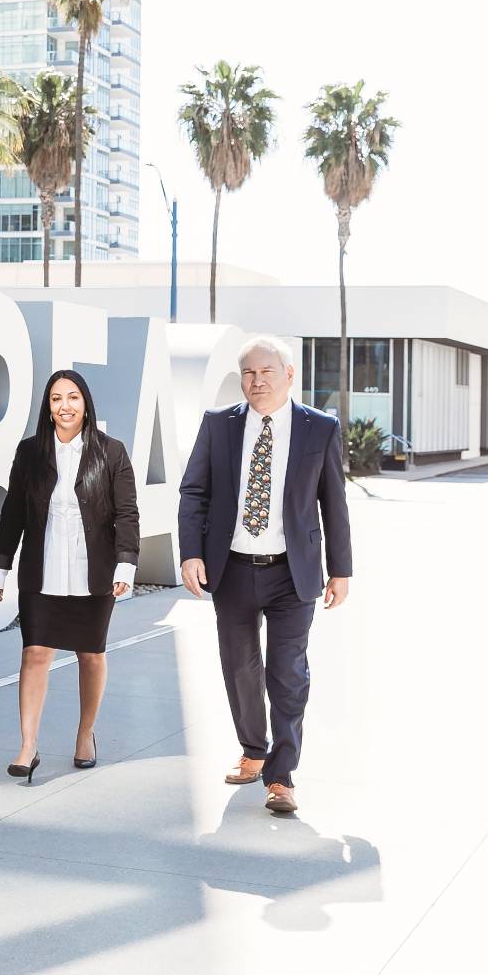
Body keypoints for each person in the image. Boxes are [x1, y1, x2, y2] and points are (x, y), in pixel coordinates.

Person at [178, 334, 353, 815]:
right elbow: (194, 492)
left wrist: (341, 569)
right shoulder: (220, 426)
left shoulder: (319, 428)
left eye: (265, 372)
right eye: (248, 374)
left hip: (291, 573)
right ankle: (254, 750)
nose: (256, 382)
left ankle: (282, 775)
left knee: (288, 674)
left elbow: (333, 504)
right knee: (239, 668)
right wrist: (191, 552)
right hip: (231, 568)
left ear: (288, 374)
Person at [0, 369, 140, 783]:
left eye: (72, 397)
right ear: (48, 407)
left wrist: (126, 564)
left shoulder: (111, 451)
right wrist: (0, 565)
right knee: (35, 652)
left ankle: (85, 734)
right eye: (56, 399)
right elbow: (12, 513)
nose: (65, 406)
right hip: (42, 568)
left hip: (96, 572)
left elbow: (127, 512)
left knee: (90, 654)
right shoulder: (30, 453)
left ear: (86, 403)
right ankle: (27, 745)